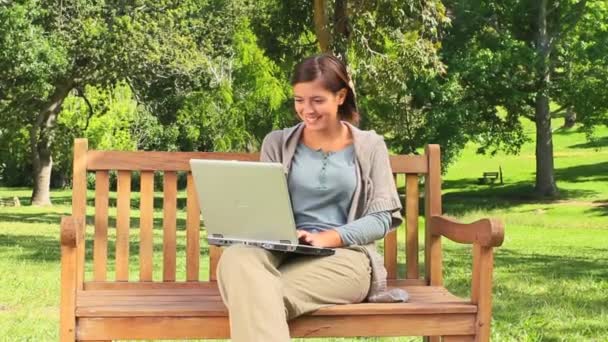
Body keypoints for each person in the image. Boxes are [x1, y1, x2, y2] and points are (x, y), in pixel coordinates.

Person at [216, 54, 407, 342]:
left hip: (346, 258)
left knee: (255, 297)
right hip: (282, 250)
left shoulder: (370, 146)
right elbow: (264, 206)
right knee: (236, 256)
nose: (307, 109)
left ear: (340, 96)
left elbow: (382, 219)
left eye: (317, 100)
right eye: (299, 100)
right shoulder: (276, 143)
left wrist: (329, 237)